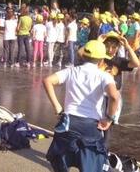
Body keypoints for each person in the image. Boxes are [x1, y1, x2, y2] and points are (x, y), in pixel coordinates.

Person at [43, 40, 120, 172]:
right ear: (101, 60)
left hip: (67, 122)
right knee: (91, 165)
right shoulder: (104, 76)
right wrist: (109, 118)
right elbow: (114, 96)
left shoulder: (71, 71)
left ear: (83, 56)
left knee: (61, 161)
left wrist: (57, 106)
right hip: (90, 126)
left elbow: (47, 81)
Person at [98, 32, 140, 146]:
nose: (110, 49)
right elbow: (81, 54)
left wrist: (127, 46)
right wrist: (98, 42)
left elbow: (136, 63)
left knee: (107, 126)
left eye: (114, 46)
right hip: (98, 96)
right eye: (107, 45)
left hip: (112, 97)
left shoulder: (119, 61)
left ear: (117, 47)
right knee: (95, 124)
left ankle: (103, 151)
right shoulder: (98, 58)